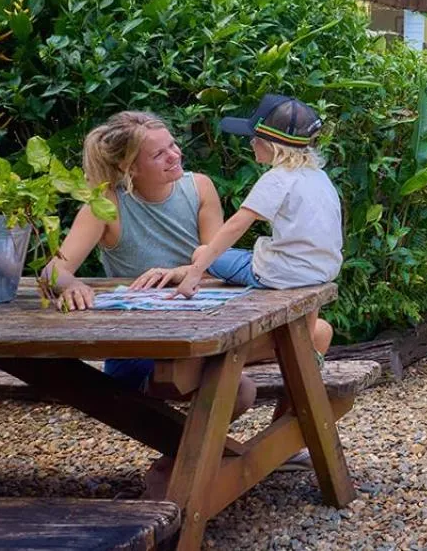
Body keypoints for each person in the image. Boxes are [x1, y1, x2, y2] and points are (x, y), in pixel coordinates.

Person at [37, 110, 256, 489]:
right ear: (128, 167)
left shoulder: (200, 188)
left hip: (201, 336)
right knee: (237, 389)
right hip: (138, 348)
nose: (175, 155)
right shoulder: (107, 203)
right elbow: (52, 271)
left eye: (173, 145)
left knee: (304, 339)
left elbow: (221, 263)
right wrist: (69, 284)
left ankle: (179, 461)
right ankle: (183, 466)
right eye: (159, 154)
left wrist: (182, 273)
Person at [152, 95, 339, 360]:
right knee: (288, 275)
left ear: (272, 146)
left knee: (202, 253)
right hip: (321, 270)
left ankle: (208, 334)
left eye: (255, 138)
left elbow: (235, 226)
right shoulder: (319, 178)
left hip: (279, 274)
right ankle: (306, 348)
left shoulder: (277, 179)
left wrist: (195, 272)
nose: (251, 143)